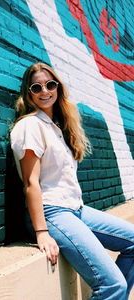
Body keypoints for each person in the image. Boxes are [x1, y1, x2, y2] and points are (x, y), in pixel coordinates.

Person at [10, 62, 134, 300]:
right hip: (52, 213)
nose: (45, 91)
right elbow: (30, 183)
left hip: (76, 209)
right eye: (37, 87)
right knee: (112, 286)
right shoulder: (30, 126)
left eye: (50, 84)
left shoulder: (58, 127)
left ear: (58, 87)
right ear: (29, 93)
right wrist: (41, 232)